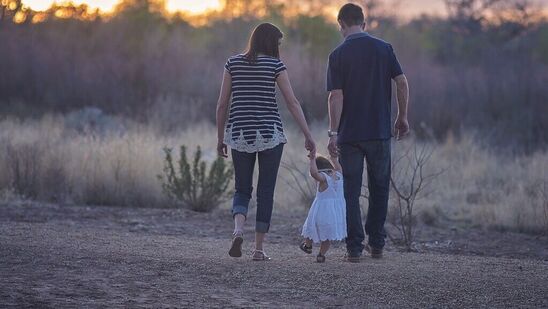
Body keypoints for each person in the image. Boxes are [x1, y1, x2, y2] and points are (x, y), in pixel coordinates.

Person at [216, 23, 316, 261]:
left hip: (239, 133)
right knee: (265, 191)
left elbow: (221, 105)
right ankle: (258, 250)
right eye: (278, 43)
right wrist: (308, 135)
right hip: (270, 134)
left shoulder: (233, 63)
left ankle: (238, 230)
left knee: (242, 188)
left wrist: (221, 138)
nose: (279, 48)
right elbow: (292, 103)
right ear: (271, 42)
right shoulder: (275, 65)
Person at [326, 3, 410, 262]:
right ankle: (377, 244)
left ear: (341, 24)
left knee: (350, 191)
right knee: (380, 187)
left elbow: (335, 97)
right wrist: (402, 116)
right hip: (379, 132)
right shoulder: (384, 49)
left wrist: (332, 133)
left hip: (350, 135)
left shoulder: (337, 55)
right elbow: (402, 82)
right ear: (363, 23)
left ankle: (354, 248)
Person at [300, 153, 347, 263]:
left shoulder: (323, 178)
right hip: (335, 213)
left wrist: (312, 160)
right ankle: (321, 255)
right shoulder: (339, 175)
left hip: (322, 211)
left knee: (311, 227)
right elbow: (337, 165)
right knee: (327, 236)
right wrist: (334, 158)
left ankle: (308, 246)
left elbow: (313, 173)